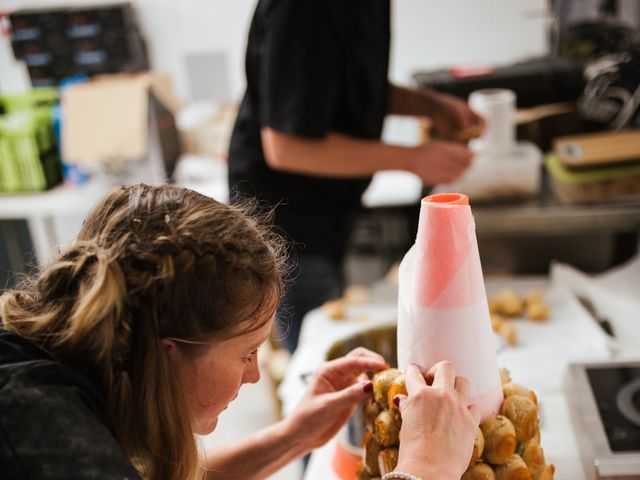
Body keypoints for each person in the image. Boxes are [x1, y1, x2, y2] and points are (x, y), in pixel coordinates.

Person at [0, 184, 480, 480]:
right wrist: (425, 467)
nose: (253, 377)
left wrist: (293, 437)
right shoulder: (47, 448)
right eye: (248, 353)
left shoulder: (59, 377)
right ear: (167, 352)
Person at [228, 0, 484, 352]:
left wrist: (431, 107)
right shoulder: (302, 10)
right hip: (287, 223)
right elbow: (287, 147)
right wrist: (411, 159)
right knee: (317, 354)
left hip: (330, 210)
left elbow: (351, 87)